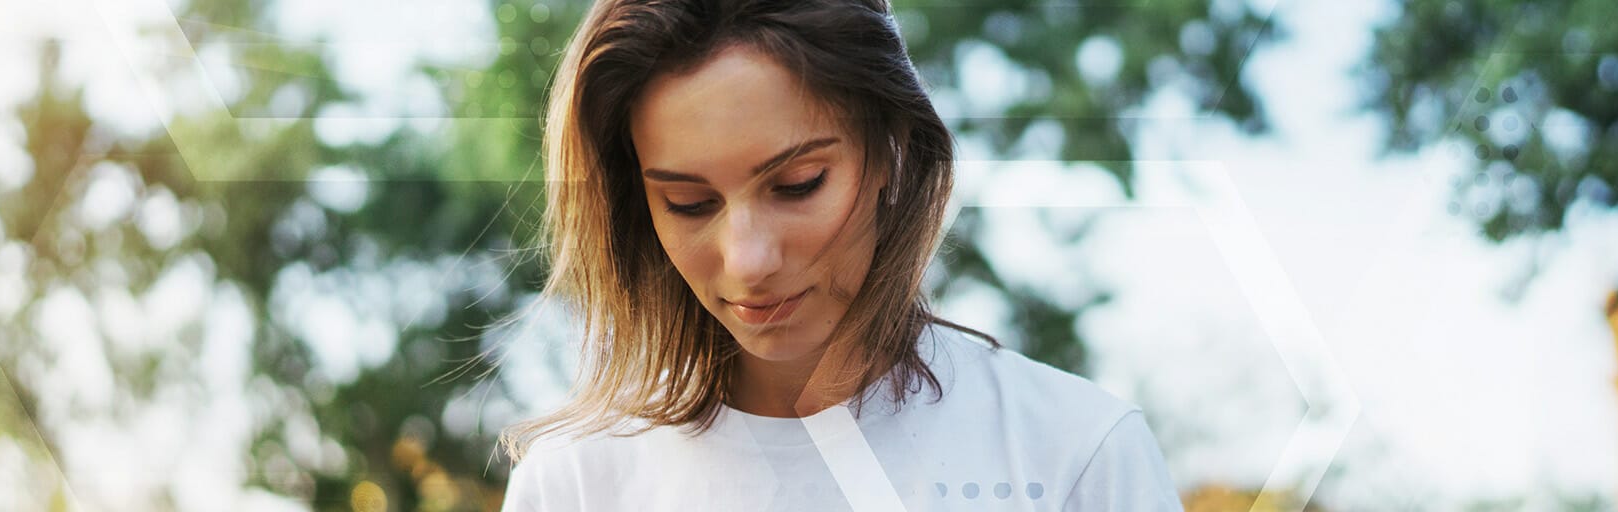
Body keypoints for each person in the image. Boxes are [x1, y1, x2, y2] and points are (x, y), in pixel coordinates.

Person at [500, 0, 1183, 510]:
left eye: (797, 186)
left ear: (890, 147)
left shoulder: (1075, 453)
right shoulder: (574, 483)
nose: (749, 260)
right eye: (689, 203)